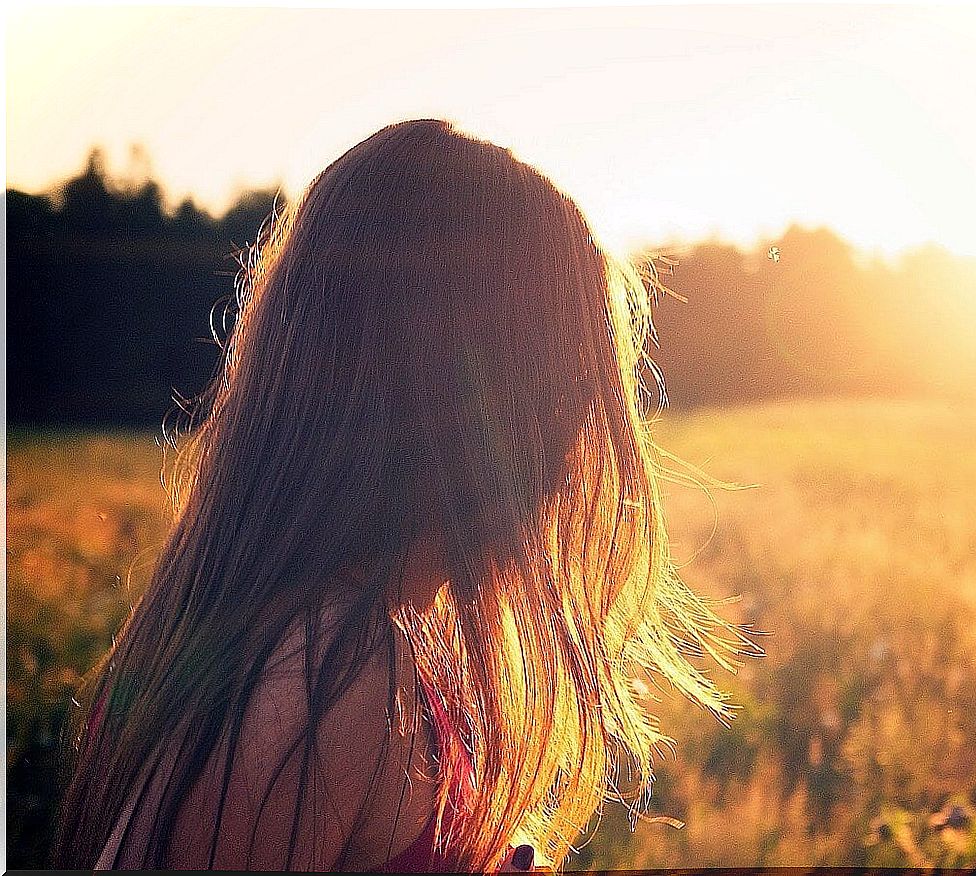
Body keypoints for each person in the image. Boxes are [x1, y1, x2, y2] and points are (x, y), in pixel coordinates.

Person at [51, 119, 752, 872]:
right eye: (575, 394)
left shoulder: (307, 634)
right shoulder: (327, 673)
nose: (576, 449)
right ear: (497, 410)